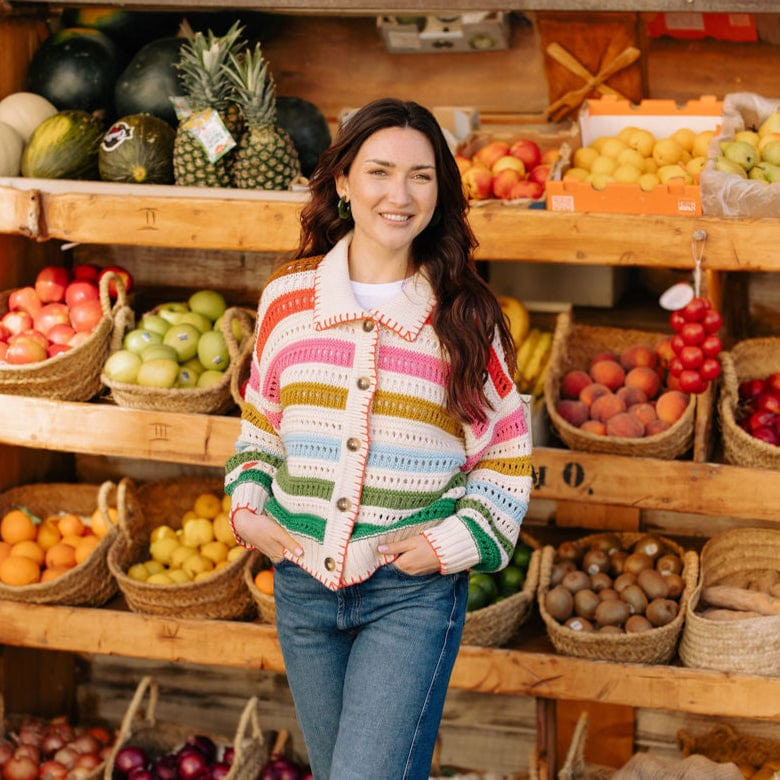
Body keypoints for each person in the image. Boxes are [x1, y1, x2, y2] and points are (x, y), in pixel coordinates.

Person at [225, 97, 533, 779]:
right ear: (341, 182)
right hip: (302, 585)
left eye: (421, 176)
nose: (400, 195)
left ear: (440, 191)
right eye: (380, 172)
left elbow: (506, 459)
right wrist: (248, 511)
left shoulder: (464, 316)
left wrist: (446, 545)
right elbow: (261, 428)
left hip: (409, 596)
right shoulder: (288, 300)